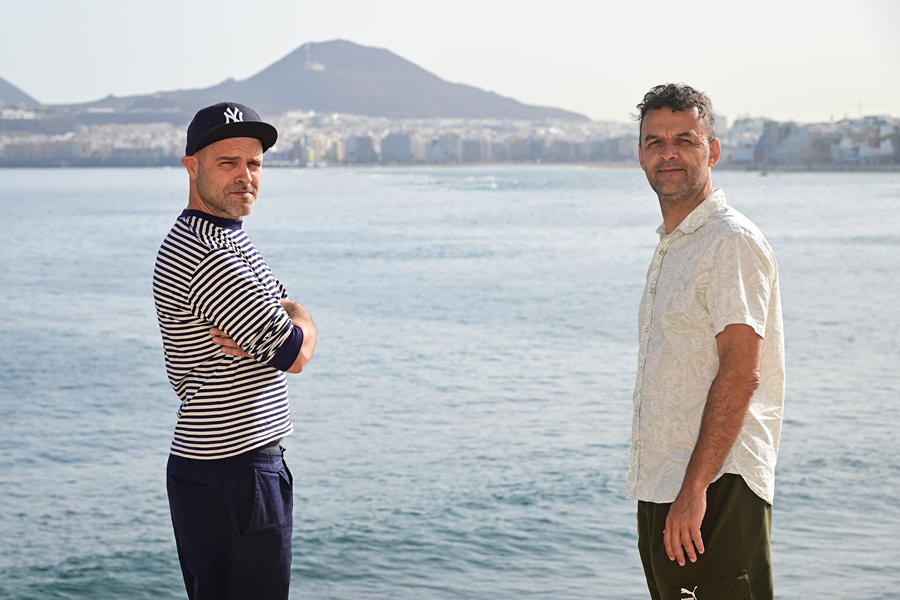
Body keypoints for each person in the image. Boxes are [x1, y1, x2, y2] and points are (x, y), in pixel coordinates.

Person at [153, 101, 317, 599]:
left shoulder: (226, 239)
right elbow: (294, 354)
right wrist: (305, 319)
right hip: (233, 473)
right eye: (228, 163)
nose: (245, 176)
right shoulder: (212, 255)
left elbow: (279, 319)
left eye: (255, 164)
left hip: (228, 468)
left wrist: (284, 316)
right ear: (192, 167)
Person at [627, 84, 785, 600]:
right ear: (642, 156)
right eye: (655, 142)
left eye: (684, 139)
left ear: (712, 151)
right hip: (665, 492)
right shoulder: (675, 245)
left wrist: (694, 490)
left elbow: (741, 373)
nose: (667, 153)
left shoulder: (729, 241)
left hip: (716, 490)